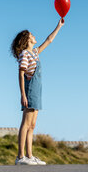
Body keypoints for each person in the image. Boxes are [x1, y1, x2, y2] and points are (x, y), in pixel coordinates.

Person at [10, 18, 65, 165]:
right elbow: (21, 74)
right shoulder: (25, 55)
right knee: (26, 123)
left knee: (32, 125)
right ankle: (20, 157)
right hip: (30, 90)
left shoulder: (35, 52)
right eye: (31, 35)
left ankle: (30, 155)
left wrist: (58, 26)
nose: (34, 36)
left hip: (37, 90)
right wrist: (23, 94)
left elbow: (49, 40)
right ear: (26, 40)